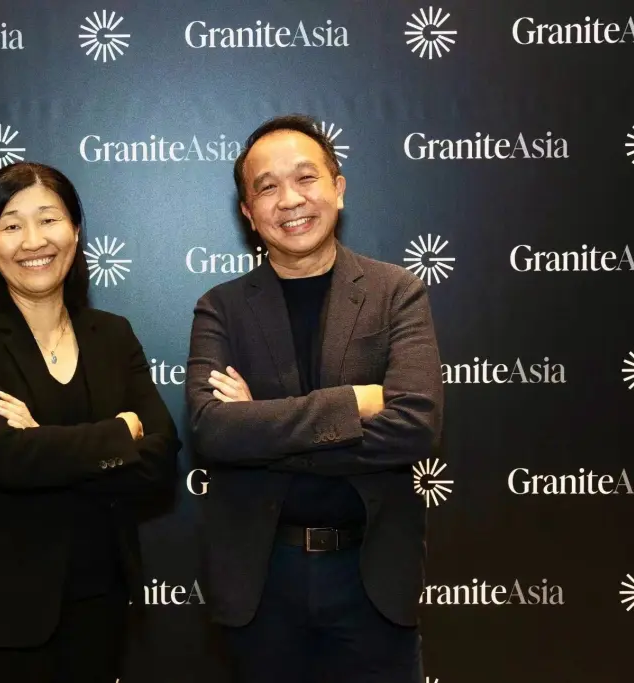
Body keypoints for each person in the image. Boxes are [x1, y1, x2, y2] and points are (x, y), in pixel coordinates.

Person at [186, 114, 443, 683]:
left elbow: (415, 427)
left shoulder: (396, 292)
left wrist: (260, 429)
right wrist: (354, 403)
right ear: (248, 212)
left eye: (306, 178)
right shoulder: (221, 308)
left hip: (371, 576)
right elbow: (213, 430)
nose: (290, 200)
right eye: (267, 187)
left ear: (338, 188)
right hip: (261, 580)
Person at [0, 161, 181, 683]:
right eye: (11, 225)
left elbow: (160, 457)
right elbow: (3, 457)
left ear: (76, 231)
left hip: (101, 604)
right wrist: (118, 434)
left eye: (48, 219)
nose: (33, 241)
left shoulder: (113, 335)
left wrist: (41, 441)